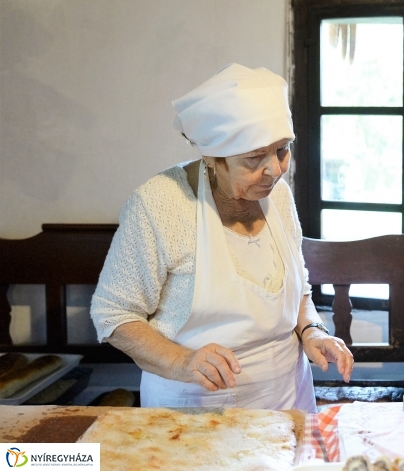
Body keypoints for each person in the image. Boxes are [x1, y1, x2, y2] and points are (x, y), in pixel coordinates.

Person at [90, 63, 353, 411]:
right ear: (213, 158)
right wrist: (183, 361)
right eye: (254, 158)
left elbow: (297, 287)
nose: (274, 170)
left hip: (289, 402)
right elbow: (114, 314)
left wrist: (312, 331)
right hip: (195, 412)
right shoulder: (159, 204)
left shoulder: (278, 195)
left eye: (282, 150)